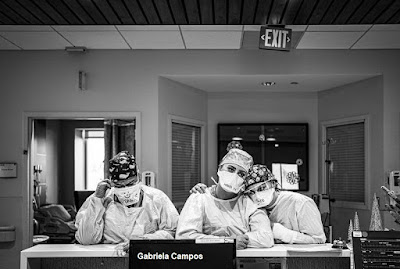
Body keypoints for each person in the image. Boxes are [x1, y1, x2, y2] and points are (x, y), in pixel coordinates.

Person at [75, 151, 179, 255]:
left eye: (130, 183)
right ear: (111, 181)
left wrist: (142, 242)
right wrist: (97, 200)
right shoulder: (101, 199)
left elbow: (172, 232)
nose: (126, 190)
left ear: (138, 177)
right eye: (120, 186)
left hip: (146, 256)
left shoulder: (156, 198)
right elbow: (85, 239)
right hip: (108, 258)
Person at [191, 164, 326, 244]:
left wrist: (283, 234)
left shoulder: (300, 203)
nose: (257, 195)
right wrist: (205, 190)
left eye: (261, 188)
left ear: (273, 183)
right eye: (251, 192)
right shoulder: (250, 205)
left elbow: (319, 240)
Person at [176, 148, 274, 250]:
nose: (234, 175)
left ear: (245, 180)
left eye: (241, 174)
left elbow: (266, 237)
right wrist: (227, 242)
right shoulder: (200, 197)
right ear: (219, 169)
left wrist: (239, 241)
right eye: (231, 169)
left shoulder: (248, 203)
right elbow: (184, 236)